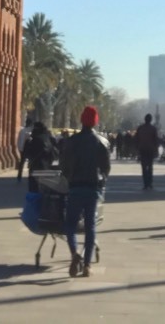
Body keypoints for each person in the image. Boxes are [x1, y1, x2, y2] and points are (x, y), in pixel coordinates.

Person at [61, 105, 111, 278]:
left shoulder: (72, 141)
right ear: (95, 122)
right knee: (90, 226)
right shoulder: (101, 142)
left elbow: (64, 165)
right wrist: (101, 180)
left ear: (82, 120)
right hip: (92, 188)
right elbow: (106, 168)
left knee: (70, 224)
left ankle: (75, 253)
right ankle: (88, 265)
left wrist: (69, 178)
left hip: (75, 187)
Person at [17, 121, 58, 191]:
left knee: (33, 191)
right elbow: (55, 154)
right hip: (47, 169)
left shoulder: (31, 140)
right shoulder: (50, 139)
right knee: (47, 191)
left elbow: (25, 155)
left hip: (35, 169)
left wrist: (20, 172)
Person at [135, 113, 159, 190]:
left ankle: (145, 183)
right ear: (151, 120)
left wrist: (137, 150)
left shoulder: (140, 128)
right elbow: (155, 141)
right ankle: (150, 183)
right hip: (150, 149)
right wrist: (156, 150)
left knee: (144, 167)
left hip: (142, 149)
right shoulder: (153, 129)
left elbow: (137, 139)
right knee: (150, 167)